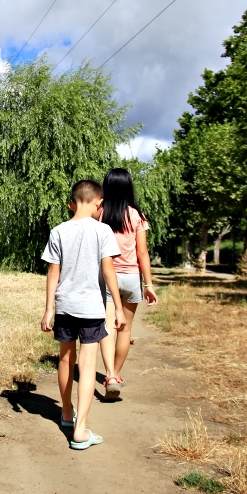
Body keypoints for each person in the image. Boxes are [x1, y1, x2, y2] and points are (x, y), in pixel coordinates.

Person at [40, 179, 126, 450]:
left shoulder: (58, 231)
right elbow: (109, 271)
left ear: (72, 203)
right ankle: (80, 429)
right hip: (91, 308)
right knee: (87, 366)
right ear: (99, 204)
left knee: (66, 360)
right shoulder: (103, 231)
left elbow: (53, 272)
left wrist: (49, 309)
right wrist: (119, 308)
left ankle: (66, 413)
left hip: (65, 305)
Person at [97, 168, 158, 399]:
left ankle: (110, 374)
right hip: (132, 277)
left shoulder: (99, 213)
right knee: (125, 329)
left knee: (108, 326)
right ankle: (118, 373)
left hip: (106, 275)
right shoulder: (136, 215)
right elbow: (143, 253)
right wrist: (149, 285)